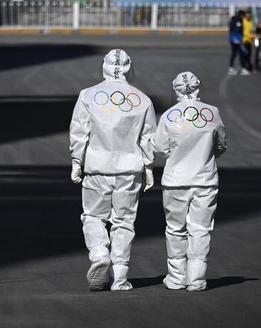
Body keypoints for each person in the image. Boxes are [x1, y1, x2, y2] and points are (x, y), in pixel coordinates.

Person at [69, 49, 156, 291]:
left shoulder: (88, 95)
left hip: (97, 167)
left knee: (93, 217)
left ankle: (99, 253)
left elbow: (79, 132)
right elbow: (148, 137)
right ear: (129, 68)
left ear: (104, 66)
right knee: (124, 222)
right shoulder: (142, 100)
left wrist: (77, 161)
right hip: (129, 170)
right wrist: (148, 167)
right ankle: (120, 277)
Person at [151, 71, 227, 292]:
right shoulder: (212, 113)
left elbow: (159, 148)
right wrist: (206, 156)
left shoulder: (168, 115)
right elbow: (221, 144)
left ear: (175, 90)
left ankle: (176, 277)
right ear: (198, 87)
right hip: (205, 179)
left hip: (175, 180)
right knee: (200, 229)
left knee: (175, 229)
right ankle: (196, 278)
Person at [228, 10, 249, 75]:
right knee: (241, 54)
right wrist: (240, 39)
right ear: (241, 15)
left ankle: (231, 68)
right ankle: (243, 68)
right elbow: (237, 31)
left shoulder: (233, 19)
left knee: (234, 54)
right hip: (236, 40)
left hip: (232, 39)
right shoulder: (238, 20)